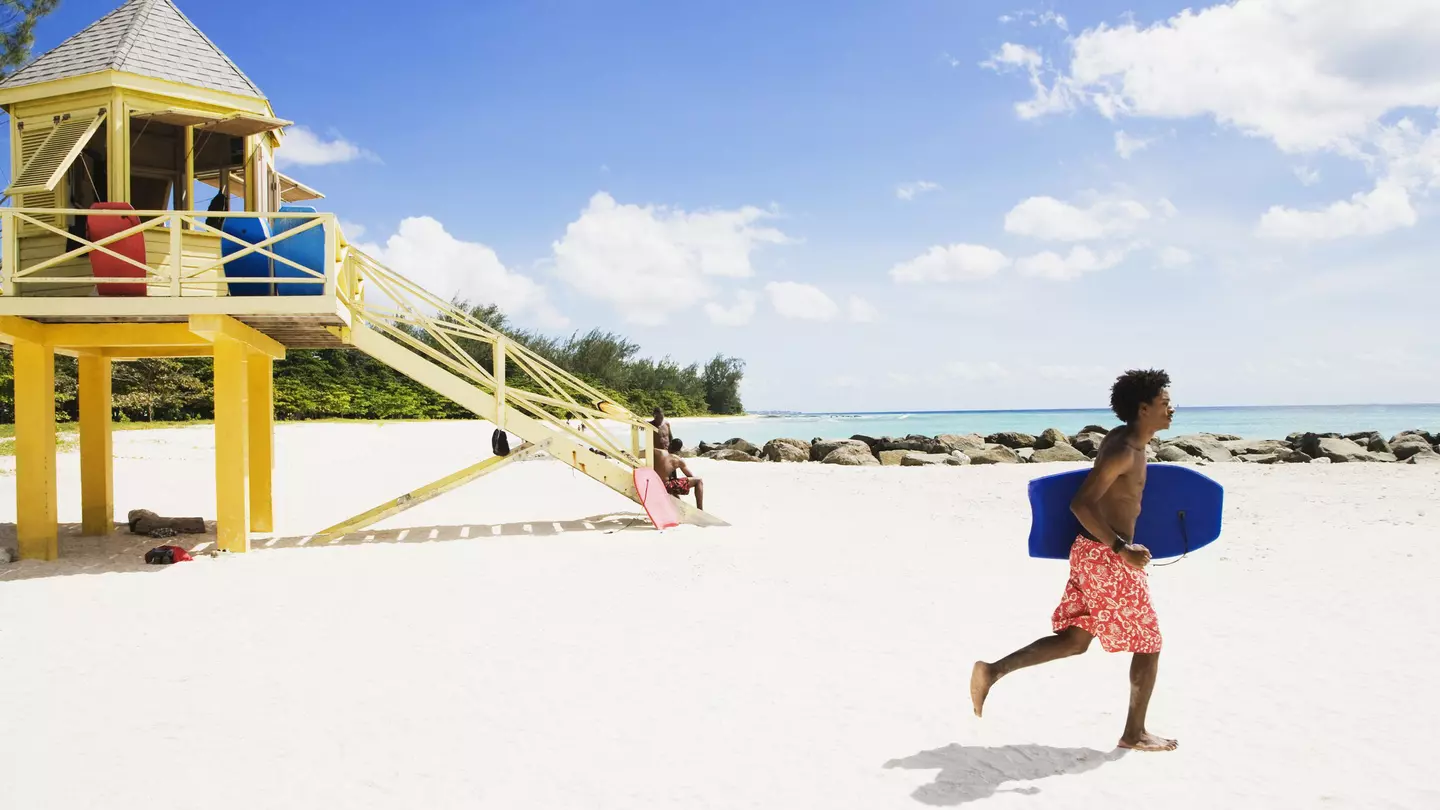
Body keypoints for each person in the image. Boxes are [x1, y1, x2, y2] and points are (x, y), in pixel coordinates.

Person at [969, 368, 1177, 752]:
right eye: (1165, 403)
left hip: (1092, 552)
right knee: (1148, 641)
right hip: (1105, 556)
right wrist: (1122, 549)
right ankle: (1134, 734)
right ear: (1144, 407)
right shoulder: (1123, 450)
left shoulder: (1132, 440)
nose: (1172, 409)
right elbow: (1080, 503)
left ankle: (991, 671)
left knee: (1076, 639)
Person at [658, 438, 705, 511]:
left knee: (673, 482)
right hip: (666, 486)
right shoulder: (677, 460)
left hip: (656, 484)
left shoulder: (659, 453)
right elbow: (690, 477)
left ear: (670, 444)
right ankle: (700, 510)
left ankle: (679, 507)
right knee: (698, 481)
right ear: (679, 450)